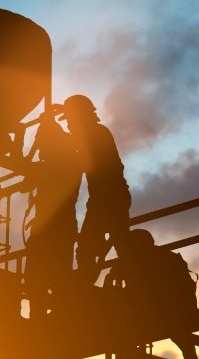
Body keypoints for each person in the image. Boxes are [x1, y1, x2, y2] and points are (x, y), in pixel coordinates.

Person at [54, 95, 131, 284]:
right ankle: (132, 278)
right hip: (107, 197)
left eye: (70, 120)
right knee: (118, 243)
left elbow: (75, 149)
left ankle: (86, 288)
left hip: (107, 199)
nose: (69, 125)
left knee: (89, 247)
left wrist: (53, 129)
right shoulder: (96, 132)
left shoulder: (94, 134)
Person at [106, 229, 199, 359]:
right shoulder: (164, 257)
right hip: (176, 312)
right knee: (184, 341)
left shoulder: (148, 261)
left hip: (169, 313)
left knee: (124, 340)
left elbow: (150, 293)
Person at [24, 114, 82, 318]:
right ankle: (54, 314)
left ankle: (45, 318)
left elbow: (25, 174)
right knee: (51, 276)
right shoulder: (72, 160)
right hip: (58, 227)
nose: (40, 150)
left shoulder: (54, 164)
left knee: (40, 277)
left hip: (52, 228)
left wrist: (37, 137)